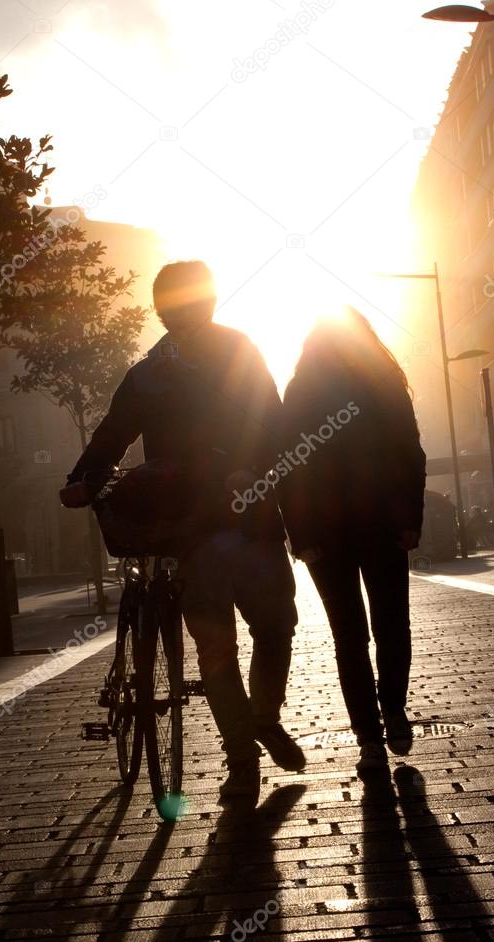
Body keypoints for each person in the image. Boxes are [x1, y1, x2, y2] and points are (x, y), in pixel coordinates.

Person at [60, 260, 303, 805]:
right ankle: (242, 756)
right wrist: (81, 478)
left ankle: (262, 719)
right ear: (164, 312)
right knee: (219, 646)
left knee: (274, 629)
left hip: (249, 521)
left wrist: (253, 468)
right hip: (192, 531)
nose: (183, 317)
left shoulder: (236, 352)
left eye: (189, 306)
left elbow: (274, 426)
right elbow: (113, 434)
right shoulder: (150, 373)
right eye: (174, 309)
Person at [279, 307, 426, 771]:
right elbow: (411, 456)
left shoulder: (303, 391)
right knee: (387, 626)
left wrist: (302, 534)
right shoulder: (382, 385)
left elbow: (287, 467)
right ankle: (388, 719)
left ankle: (372, 734)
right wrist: (409, 519)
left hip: (330, 535)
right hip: (375, 527)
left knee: (354, 635)